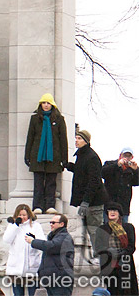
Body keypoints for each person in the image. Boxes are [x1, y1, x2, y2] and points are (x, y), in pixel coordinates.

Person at [65, 130, 106, 260]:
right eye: (75, 138)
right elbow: (81, 172)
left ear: (86, 141)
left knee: (95, 231)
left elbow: (94, 181)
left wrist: (86, 201)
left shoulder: (91, 157)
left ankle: (101, 258)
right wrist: (69, 166)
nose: (76, 141)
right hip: (88, 202)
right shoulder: (82, 156)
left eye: (79, 138)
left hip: (94, 203)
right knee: (90, 231)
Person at [24, 93, 68, 214]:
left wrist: (64, 159)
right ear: (40, 104)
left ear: (52, 105)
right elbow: (30, 138)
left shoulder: (59, 119)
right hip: (37, 155)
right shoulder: (34, 119)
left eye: (48, 103)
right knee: (38, 182)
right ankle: (37, 206)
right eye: (44, 103)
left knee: (51, 182)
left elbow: (63, 140)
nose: (46, 105)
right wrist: (27, 155)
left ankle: (50, 205)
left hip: (54, 156)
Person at [95, 202, 138, 296]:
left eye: (115, 210)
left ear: (119, 213)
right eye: (109, 210)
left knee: (127, 291)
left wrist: (120, 253)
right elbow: (98, 248)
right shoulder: (102, 229)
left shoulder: (128, 227)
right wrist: (109, 252)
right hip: (109, 266)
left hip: (125, 265)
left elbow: (131, 247)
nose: (112, 212)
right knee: (112, 291)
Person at [25, 214, 74, 296]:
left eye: (53, 222)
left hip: (60, 280)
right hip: (53, 279)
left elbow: (52, 246)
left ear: (62, 224)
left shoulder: (65, 237)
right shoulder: (55, 236)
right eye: (50, 222)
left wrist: (33, 242)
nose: (51, 224)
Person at [3, 204, 45, 296]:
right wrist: (15, 226)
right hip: (16, 267)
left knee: (33, 293)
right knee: (18, 294)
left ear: (29, 215)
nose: (22, 217)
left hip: (32, 266)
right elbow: (6, 239)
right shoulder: (12, 226)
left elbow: (42, 242)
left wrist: (34, 240)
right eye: (20, 215)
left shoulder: (36, 226)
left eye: (24, 215)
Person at [102, 147, 138, 223]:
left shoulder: (131, 170)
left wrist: (136, 170)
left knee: (123, 232)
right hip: (109, 205)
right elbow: (103, 173)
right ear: (120, 156)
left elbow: (137, 182)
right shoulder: (110, 164)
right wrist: (117, 165)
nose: (126, 158)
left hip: (124, 207)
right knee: (107, 231)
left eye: (129, 156)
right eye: (125, 155)